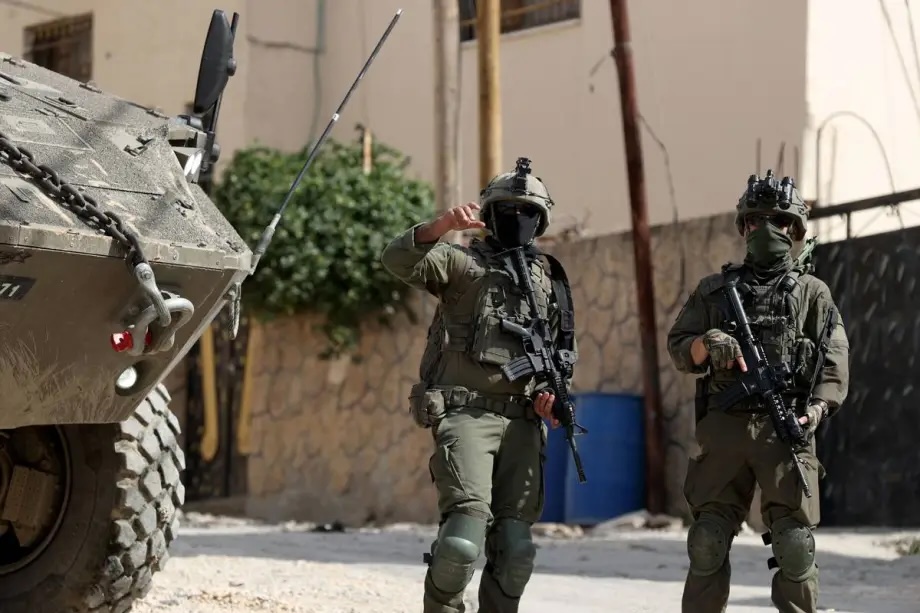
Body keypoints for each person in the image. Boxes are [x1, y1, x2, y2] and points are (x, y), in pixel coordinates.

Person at [380, 158, 577, 613]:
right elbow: (396, 259)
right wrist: (443, 224)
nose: (517, 219)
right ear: (487, 215)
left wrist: (553, 395)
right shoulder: (460, 263)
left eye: (527, 212)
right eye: (506, 210)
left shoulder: (551, 280)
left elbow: (563, 349)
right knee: (460, 546)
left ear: (541, 221)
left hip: (525, 424)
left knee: (516, 550)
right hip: (466, 415)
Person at [666, 170, 850, 613]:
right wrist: (707, 343)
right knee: (707, 541)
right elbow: (678, 347)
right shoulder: (715, 290)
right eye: (757, 219)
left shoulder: (813, 293)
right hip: (725, 429)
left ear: (796, 229)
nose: (767, 229)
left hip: (784, 430)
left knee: (793, 546)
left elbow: (834, 358)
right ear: (744, 226)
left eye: (779, 220)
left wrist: (819, 409)